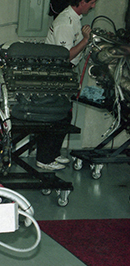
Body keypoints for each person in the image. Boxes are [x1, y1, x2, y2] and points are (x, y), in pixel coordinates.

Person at [35, 0, 97, 171]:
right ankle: (44, 158)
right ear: (82, 1)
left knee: (64, 116)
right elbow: (65, 56)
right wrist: (85, 40)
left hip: (64, 74)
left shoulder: (75, 19)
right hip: (56, 73)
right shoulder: (65, 22)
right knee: (55, 117)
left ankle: (52, 154)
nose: (93, 7)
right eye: (91, 3)